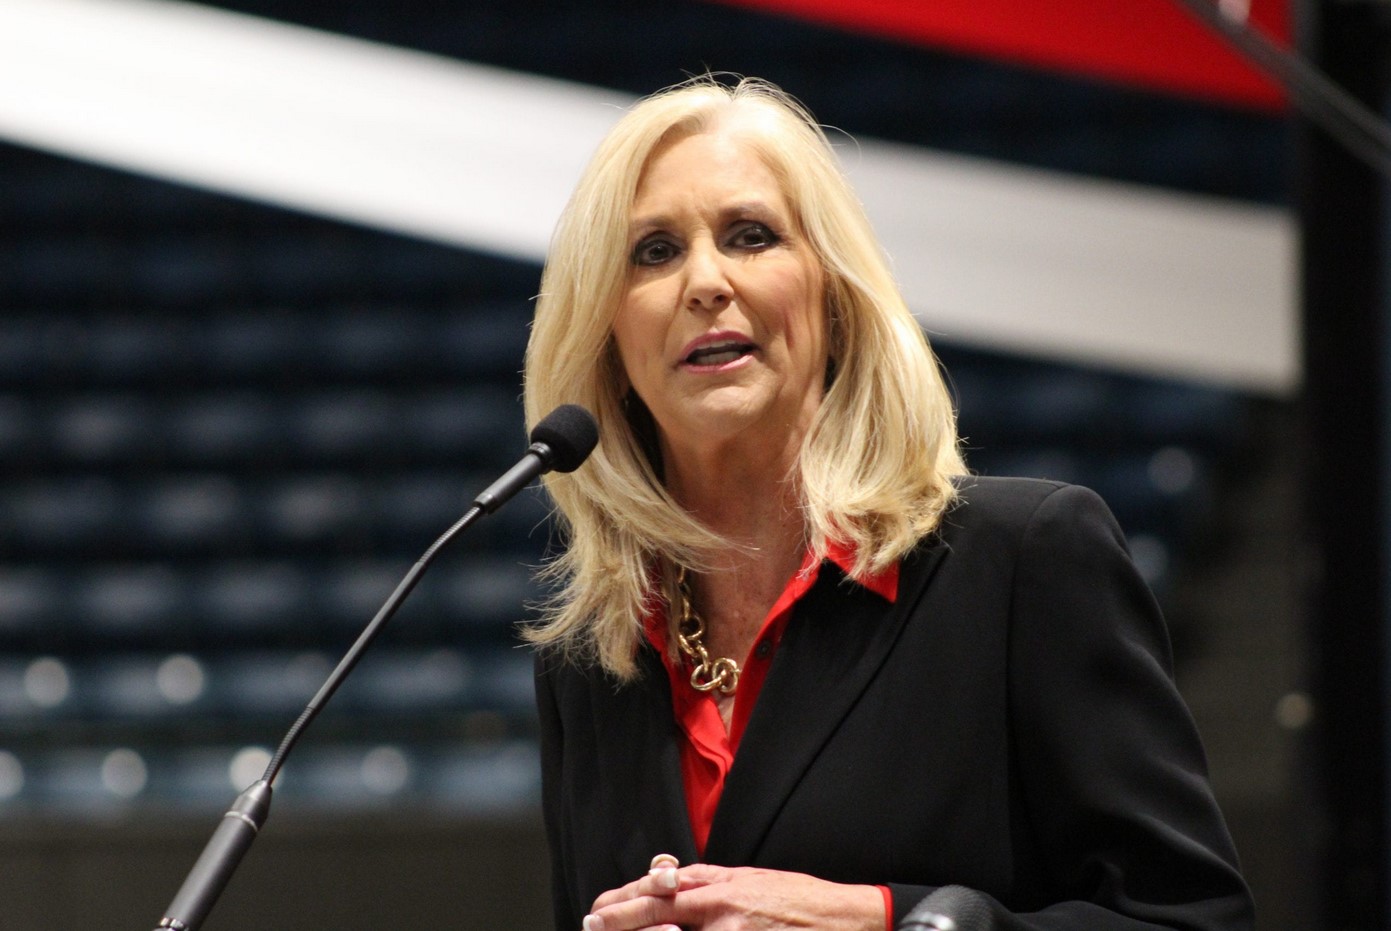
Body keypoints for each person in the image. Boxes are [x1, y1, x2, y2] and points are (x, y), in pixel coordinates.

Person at [521, 75, 1253, 931]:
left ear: (833, 295)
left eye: (751, 236)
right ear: (605, 332)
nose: (705, 281)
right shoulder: (590, 656)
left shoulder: (1025, 559)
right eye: (653, 251)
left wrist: (882, 919)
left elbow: (1194, 922)